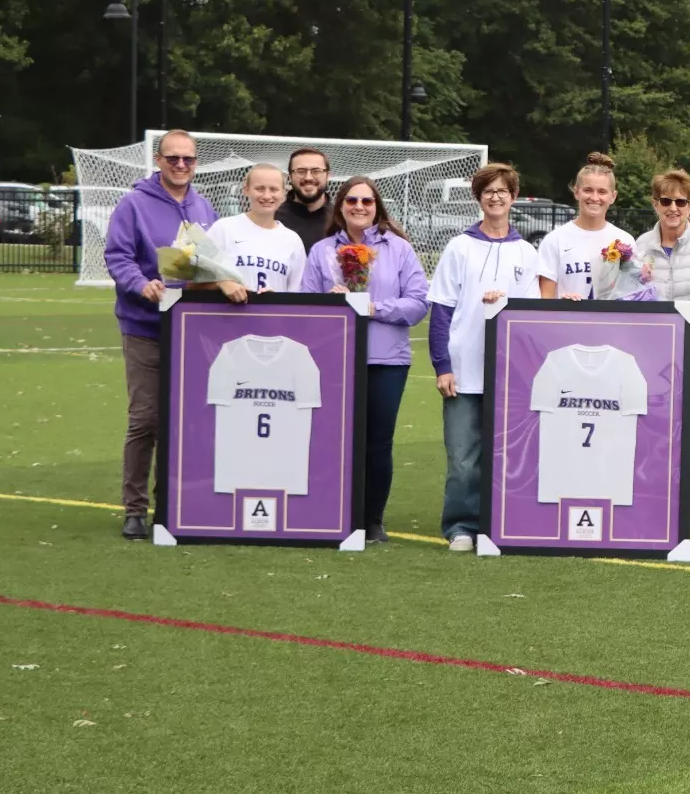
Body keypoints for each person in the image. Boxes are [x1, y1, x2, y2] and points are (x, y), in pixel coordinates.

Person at [103, 129, 221, 540]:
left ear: (196, 162)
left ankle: (172, 504)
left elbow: (210, 265)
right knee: (146, 419)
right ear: (158, 159)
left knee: (186, 420)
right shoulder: (134, 204)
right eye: (173, 158)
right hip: (146, 326)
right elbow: (116, 256)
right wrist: (141, 284)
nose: (181, 165)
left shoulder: (204, 207)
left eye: (188, 159)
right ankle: (135, 508)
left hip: (191, 329)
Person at [300, 176, 429, 543]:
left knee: (377, 442)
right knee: (333, 438)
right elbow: (306, 306)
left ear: (377, 207)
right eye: (352, 200)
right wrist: (331, 300)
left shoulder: (399, 249)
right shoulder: (321, 251)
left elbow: (419, 303)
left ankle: (372, 518)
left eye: (367, 201)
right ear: (339, 206)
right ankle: (334, 511)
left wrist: (372, 308)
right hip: (334, 358)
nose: (359, 206)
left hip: (387, 360)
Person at [427, 164, 544, 553]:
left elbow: (530, 316)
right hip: (463, 369)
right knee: (462, 456)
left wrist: (506, 302)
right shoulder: (459, 246)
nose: (496, 197)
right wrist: (441, 365)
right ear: (479, 198)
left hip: (509, 373)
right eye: (488, 191)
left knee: (508, 454)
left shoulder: (527, 252)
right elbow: (441, 310)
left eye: (502, 190)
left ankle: (500, 524)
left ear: (513, 196)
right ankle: (460, 525)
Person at [620, 168, 690, 550]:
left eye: (680, 201)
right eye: (665, 200)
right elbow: (631, 296)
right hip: (654, 358)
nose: (673, 208)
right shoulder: (638, 247)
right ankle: (655, 514)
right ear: (655, 203)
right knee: (652, 433)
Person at [538, 153, 633, 300]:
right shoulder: (554, 240)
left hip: (610, 323)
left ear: (613, 196)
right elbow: (545, 300)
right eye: (588, 190)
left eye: (602, 191)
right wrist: (562, 306)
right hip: (567, 322)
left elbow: (633, 297)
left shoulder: (625, 241)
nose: (595, 198)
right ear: (576, 192)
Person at [206, 163, 307, 294]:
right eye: (259, 188)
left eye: (274, 189)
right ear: (246, 189)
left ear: (283, 193)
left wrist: (275, 301)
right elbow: (194, 284)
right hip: (227, 314)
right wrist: (222, 283)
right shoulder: (223, 228)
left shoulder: (293, 241)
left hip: (273, 314)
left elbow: (298, 296)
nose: (266, 196)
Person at [276, 147, 333, 251]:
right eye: (301, 171)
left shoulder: (341, 219)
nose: (308, 178)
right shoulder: (274, 219)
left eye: (316, 171)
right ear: (290, 177)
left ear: (328, 175)